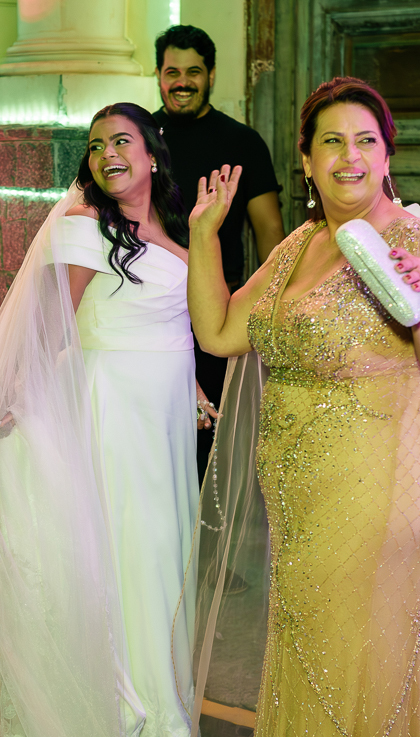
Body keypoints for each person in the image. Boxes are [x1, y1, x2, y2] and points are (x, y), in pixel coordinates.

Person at [184, 77, 420, 737]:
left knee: (355, 671)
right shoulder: (299, 246)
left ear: (387, 155)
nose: (350, 157)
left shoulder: (417, 240)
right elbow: (219, 330)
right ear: (305, 161)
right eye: (331, 142)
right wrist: (204, 235)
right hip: (302, 497)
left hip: (381, 485)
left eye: (366, 141)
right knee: (310, 664)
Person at [0, 102, 201, 737]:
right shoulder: (82, 227)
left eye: (121, 140)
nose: (107, 154)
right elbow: (49, 326)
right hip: (113, 411)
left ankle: (163, 717)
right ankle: (121, 712)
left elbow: (179, 322)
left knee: (165, 557)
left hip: (167, 416)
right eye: (95, 146)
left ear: (153, 153)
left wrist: (193, 389)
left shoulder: (178, 230)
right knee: (129, 556)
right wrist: (19, 400)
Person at [152, 24, 285, 478]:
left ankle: (208, 545)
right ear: (157, 74)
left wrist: (269, 312)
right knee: (156, 438)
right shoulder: (141, 139)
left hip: (220, 314)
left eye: (194, 71)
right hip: (152, 315)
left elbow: (271, 232)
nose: (182, 81)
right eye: (173, 71)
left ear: (211, 75)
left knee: (211, 443)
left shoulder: (242, 142)